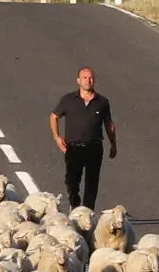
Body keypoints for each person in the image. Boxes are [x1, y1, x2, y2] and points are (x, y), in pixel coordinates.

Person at [50, 66, 118, 210]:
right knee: (72, 181)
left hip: (94, 147)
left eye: (91, 78)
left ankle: (88, 212)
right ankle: (74, 205)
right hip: (73, 147)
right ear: (78, 81)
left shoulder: (102, 102)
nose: (88, 80)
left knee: (92, 182)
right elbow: (54, 116)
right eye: (85, 78)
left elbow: (109, 124)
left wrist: (113, 144)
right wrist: (57, 137)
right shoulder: (68, 100)